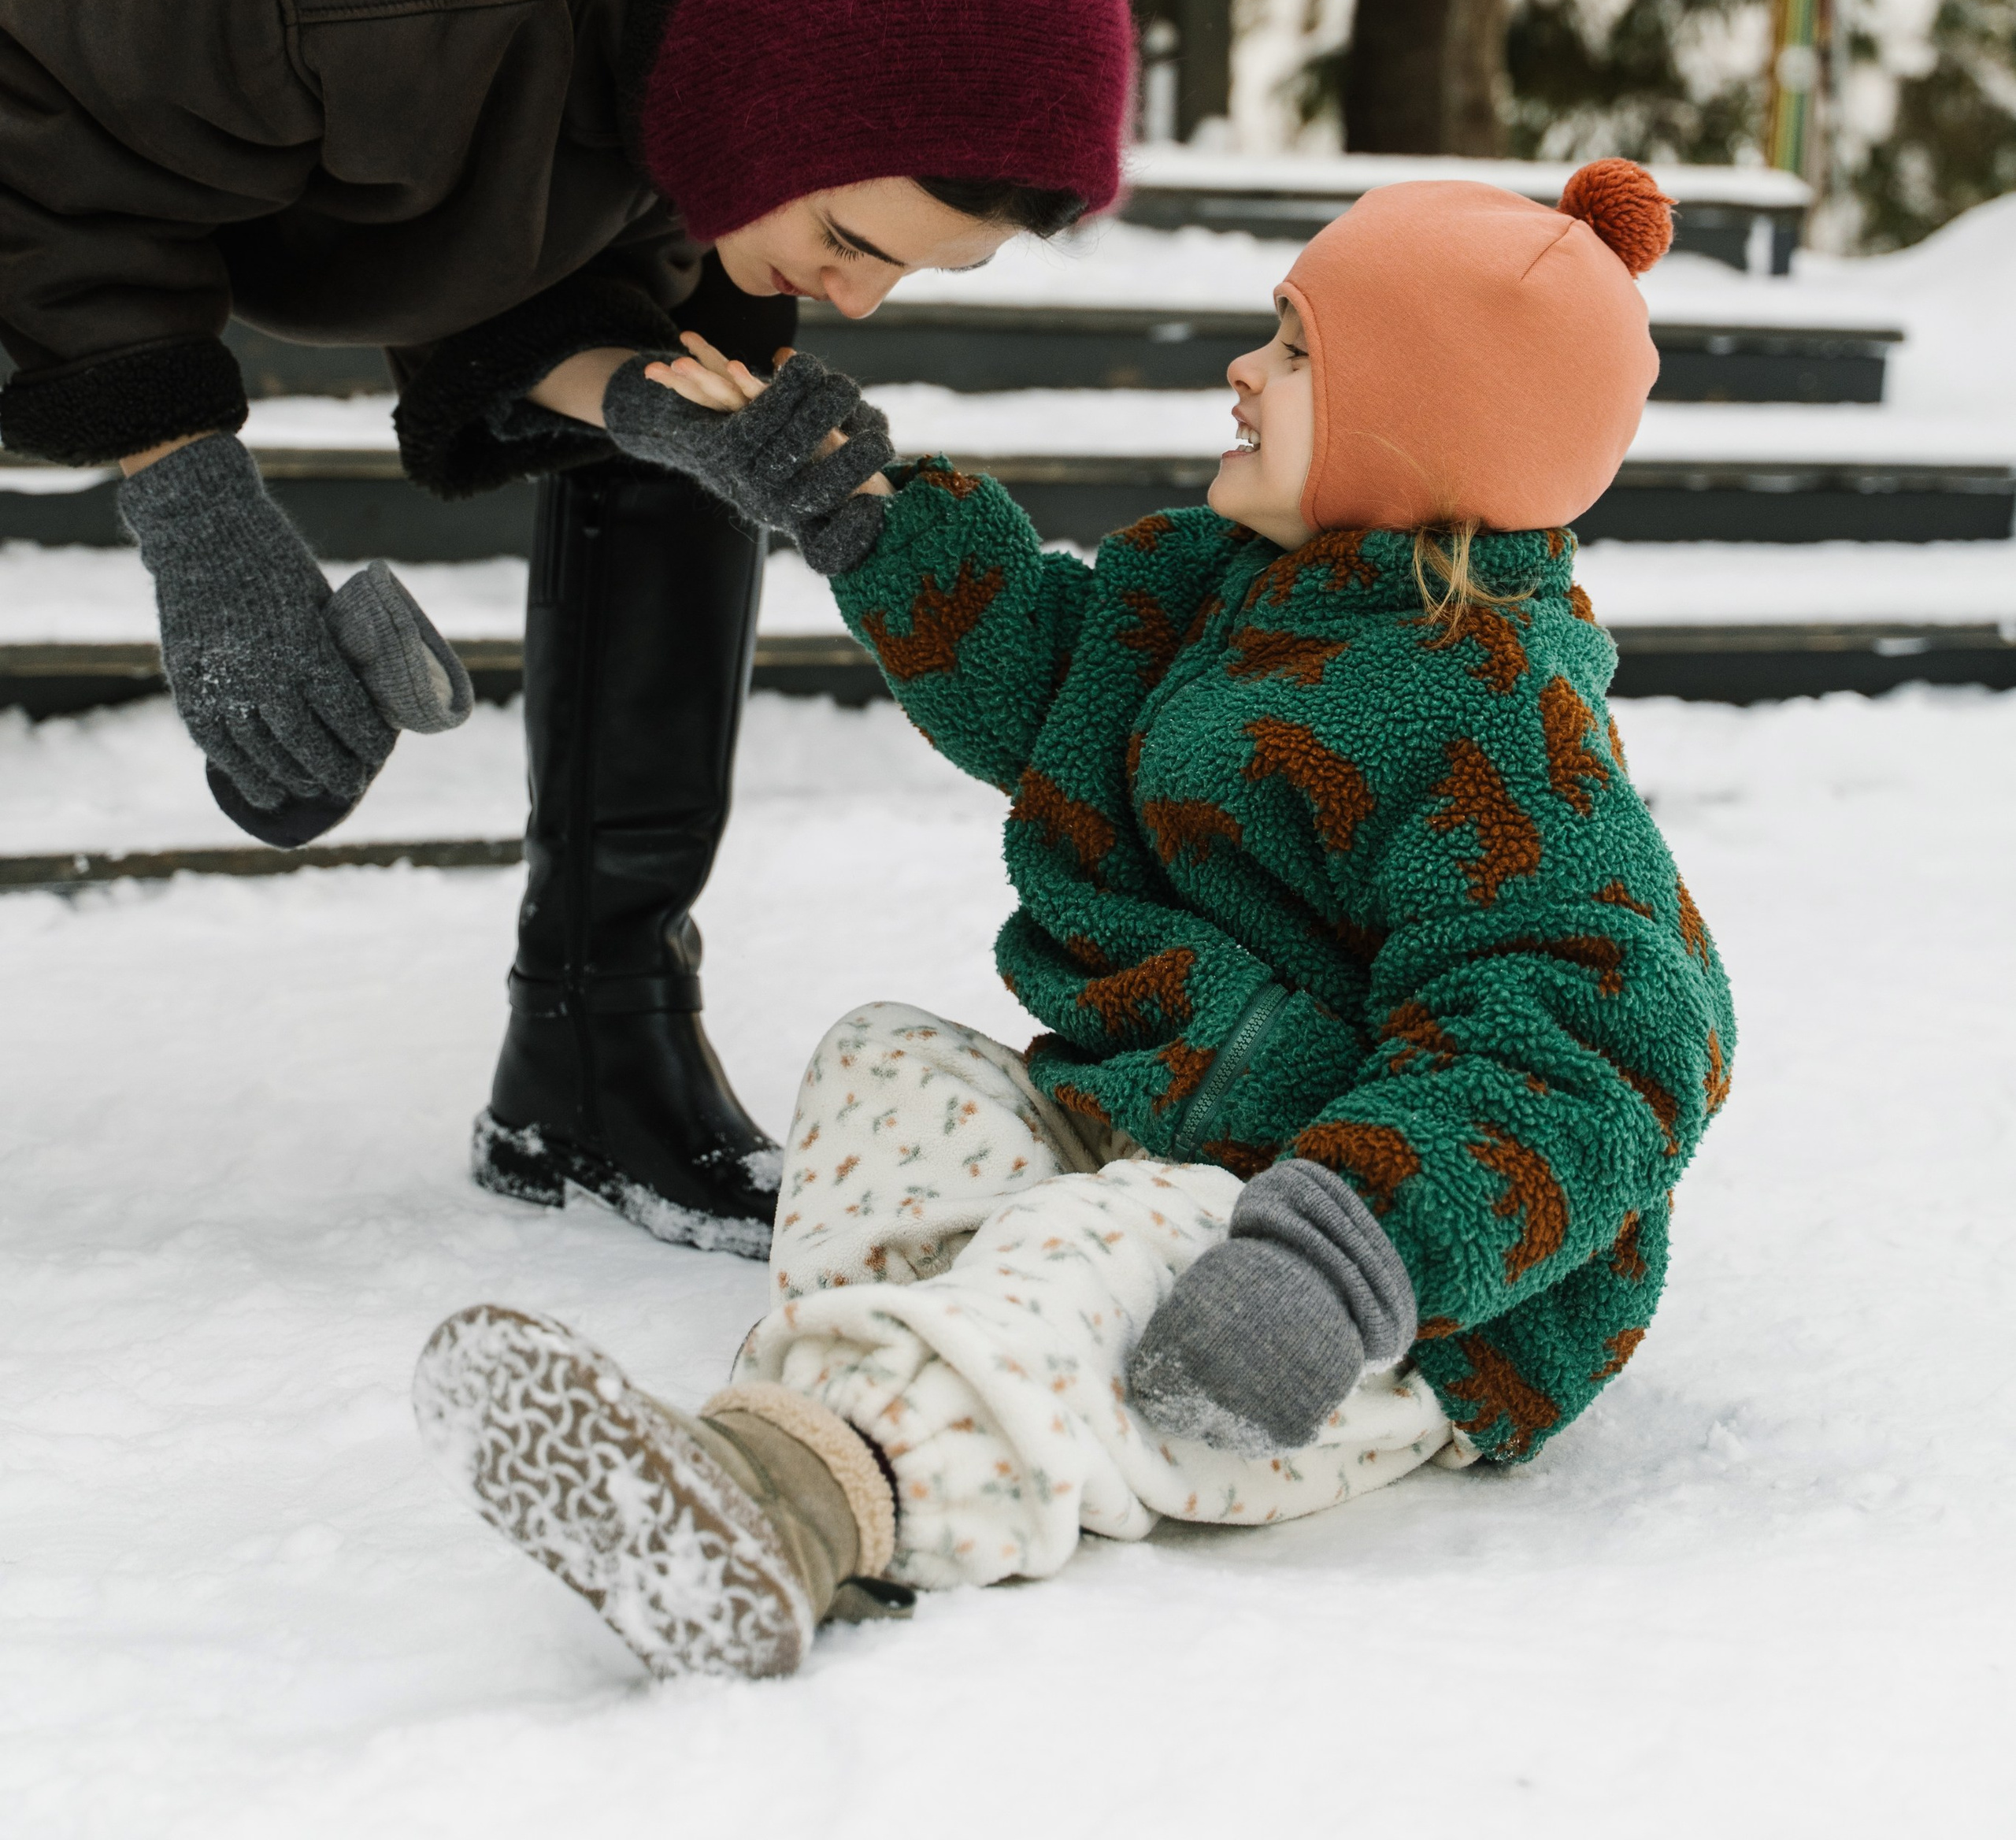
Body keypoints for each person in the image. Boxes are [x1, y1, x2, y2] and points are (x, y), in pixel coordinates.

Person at [413, 158, 1737, 1678]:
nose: (1246, 371)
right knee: (888, 1062)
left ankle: (808, 1501)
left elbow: (1608, 1033)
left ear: (1422, 429)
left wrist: (1342, 1259)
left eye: (1300, 351)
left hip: (1368, 1288)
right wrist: (862, 510)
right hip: (1172, 1133)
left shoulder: (1493, 712)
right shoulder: (1233, 594)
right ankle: (923, 1384)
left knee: (1107, 1245)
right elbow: (1051, 683)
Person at [0, 0, 1133, 1245]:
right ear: (772, 108)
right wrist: (201, 527)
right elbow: (45, 133)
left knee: (706, 421)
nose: (856, 298)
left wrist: (653, 408)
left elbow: (564, 262)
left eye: (905, 272)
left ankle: (598, 1057)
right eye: (848, 238)